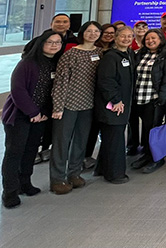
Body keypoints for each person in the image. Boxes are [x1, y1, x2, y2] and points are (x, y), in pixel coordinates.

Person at [2, 30, 62, 209]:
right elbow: (18, 90)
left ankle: (24, 183)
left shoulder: (54, 64)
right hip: (20, 116)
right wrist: (32, 112)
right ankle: (9, 191)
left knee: (30, 151)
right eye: (50, 42)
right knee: (14, 153)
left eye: (58, 42)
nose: (54, 45)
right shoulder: (27, 63)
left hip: (40, 117)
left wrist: (42, 114)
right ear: (41, 43)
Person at [50, 21, 103, 194]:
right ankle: (57, 179)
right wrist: (58, 106)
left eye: (96, 31)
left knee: (81, 142)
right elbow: (60, 81)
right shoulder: (70, 54)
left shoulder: (100, 53)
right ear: (82, 32)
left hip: (88, 105)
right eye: (89, 31)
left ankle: (74, 174)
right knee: (61, 142)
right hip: (68, 104)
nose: (93, 34)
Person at [24, 13, 77, 164]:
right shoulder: (39, 40)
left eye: (65, 22)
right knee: (37, 120)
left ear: (69, 24)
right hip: (41, 85)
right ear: (51, 23)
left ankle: (47, 148)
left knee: (53, 120)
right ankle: (33, 150)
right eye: (58, 21)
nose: (61, 24)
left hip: (63, 87)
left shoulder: (74, 41)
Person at [129, 29, 166, 173]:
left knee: (153, 130)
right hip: (139, 97)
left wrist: (162, 99)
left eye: (153, 38)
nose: (150, 41)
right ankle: (146, 154)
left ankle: (157, 158)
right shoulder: (140, 54)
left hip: (155, 99)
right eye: (148, 39)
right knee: (144, 129)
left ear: (161, 39)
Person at [94, 27, 135, 184]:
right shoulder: (110, 57)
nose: (126, 39)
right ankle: (115, 174)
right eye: (123, 36)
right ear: (116, 38)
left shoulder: (128, 55)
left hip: (124, 103)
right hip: (113, 105)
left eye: (129, 36)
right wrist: (115, 100)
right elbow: (106, 81)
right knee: (115, 139)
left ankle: (102, 168)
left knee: (111, 138)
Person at [84, 22, 117, 168]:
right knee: (91, 127)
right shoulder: (93, 50)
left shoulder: (116, 50)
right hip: (90, 93)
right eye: (106, 32)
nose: (109, 35)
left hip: (109, 95)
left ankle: (104, 158)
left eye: (112, 33)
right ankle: (85, 156)